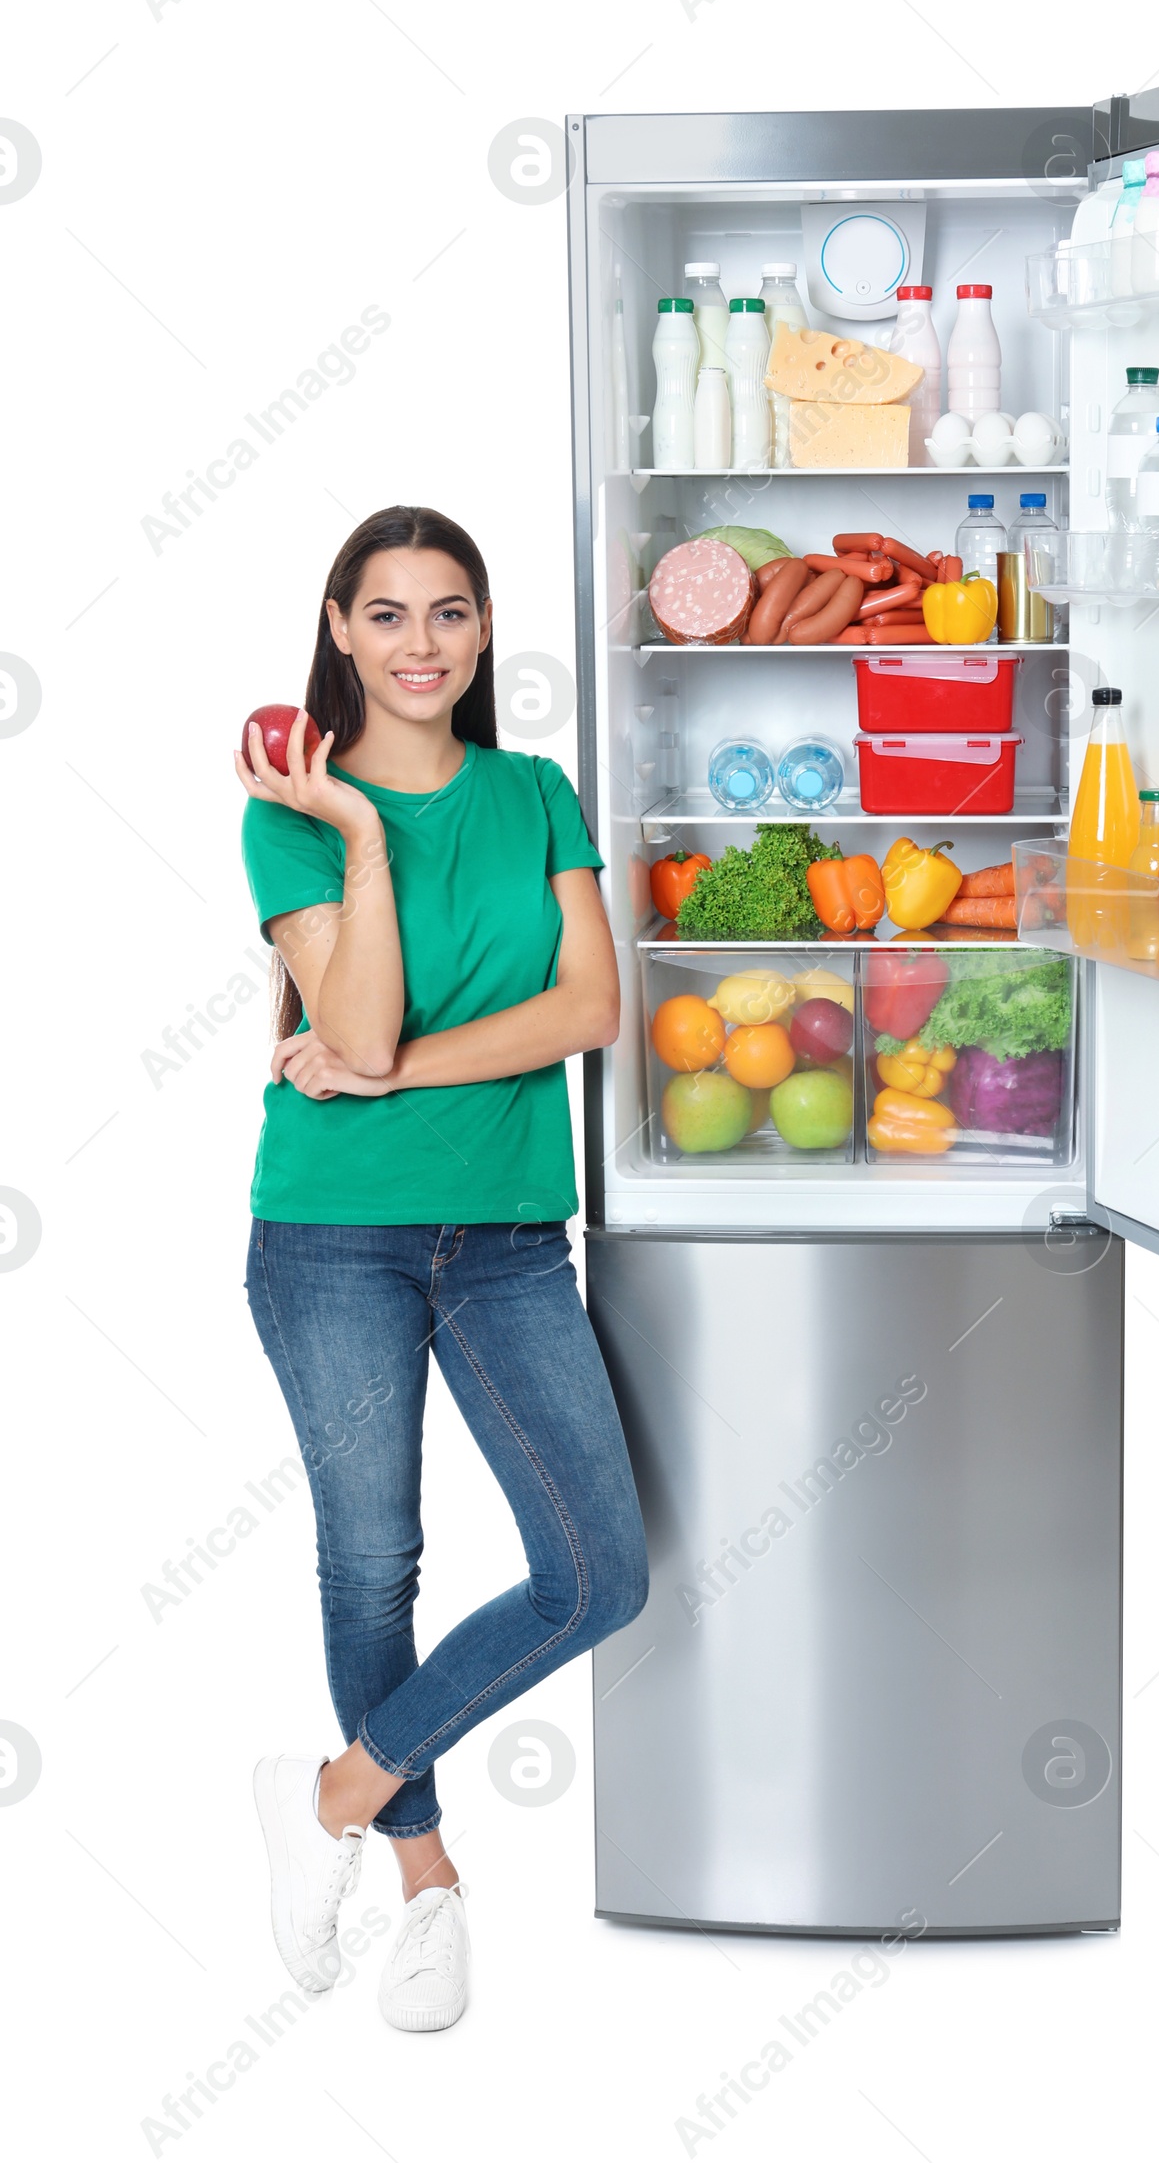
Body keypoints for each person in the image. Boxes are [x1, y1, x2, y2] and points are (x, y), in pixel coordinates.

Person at [236, 504, 645, 2034]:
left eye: (452, 614)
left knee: (599, 1569)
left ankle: (328, 1791)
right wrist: (353, 833)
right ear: (340, 627)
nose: (423, 645)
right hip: (333, 1237)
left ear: (486, 633)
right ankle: (428, 1887)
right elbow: (345, 1032)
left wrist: (397, 1074)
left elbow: (589, 1008)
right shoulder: (289, 805)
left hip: (510, 1233)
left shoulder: (538, 792)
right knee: (374, 1561)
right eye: (390, 615)